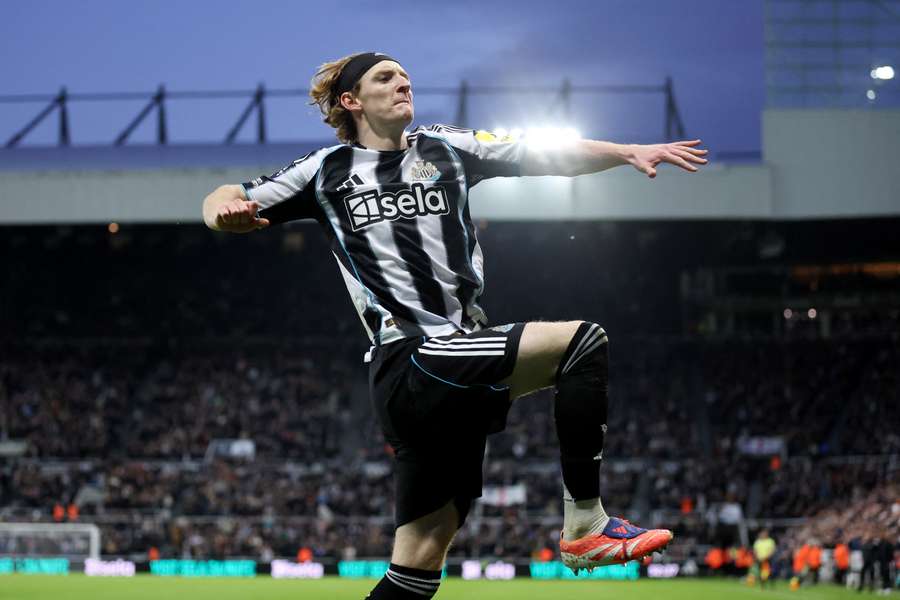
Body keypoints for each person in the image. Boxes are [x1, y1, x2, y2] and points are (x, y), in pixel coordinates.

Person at [202, 52, 708, 599]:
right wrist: (224, 212)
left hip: (455, 359)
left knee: (416, 569)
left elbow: (547, 152)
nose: (403, 82)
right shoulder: (325, 170)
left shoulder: (447, 147)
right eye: (385, 77)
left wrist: (626, 151)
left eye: (404, 75)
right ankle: (585, 522)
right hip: (412, 360)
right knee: (581, 343)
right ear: (351, 101)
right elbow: (223, 196)